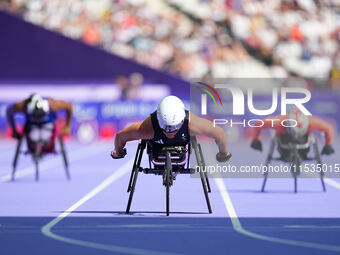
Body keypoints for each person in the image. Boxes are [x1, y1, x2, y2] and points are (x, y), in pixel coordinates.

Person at [111, 95, 231, 162]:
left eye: (174, 127)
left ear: (183, 120)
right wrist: (119, 152)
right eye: (164, 127)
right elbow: (120, 137)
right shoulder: (146, 127)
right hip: (156, 145)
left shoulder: (193, 124)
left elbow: (219, 133)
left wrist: (223, 152)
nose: (169, 131)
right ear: (158, 120)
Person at [250, 107, 335, 160]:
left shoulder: (311, 122)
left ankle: (301, 154)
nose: (295, 136)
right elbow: (258, 124)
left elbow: (328, 128)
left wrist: (328, 144)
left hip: (303, 142)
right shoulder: (279, 122)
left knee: (309, 140)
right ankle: (287, 154)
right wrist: (256, 139)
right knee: (283, 147)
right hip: (284, 141)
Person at [6, 94, 73, 150]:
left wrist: (68, 126)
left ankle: (45, 145)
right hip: (32, 125)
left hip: (47, 124)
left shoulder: (53, 105)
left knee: (45, 137)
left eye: (40, 116)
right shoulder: (22, 106)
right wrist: (14, 129)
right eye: (36, 116)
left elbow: (69, 106)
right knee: (33, 136)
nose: (38, 119)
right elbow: (8, 111)